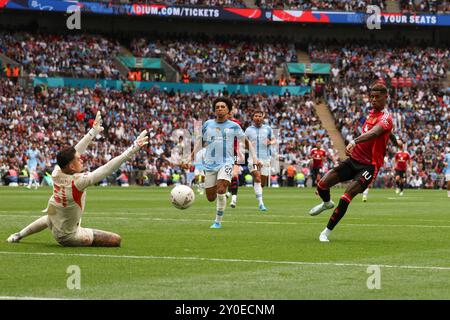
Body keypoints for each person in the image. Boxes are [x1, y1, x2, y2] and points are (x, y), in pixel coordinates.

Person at [7, 112, 149, 246]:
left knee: (50, 217)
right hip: (69, 236)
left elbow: (75, 151)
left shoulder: (57, 171)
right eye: (78, 160)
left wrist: (92, 132)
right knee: (116, 240)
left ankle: (18, 235)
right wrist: (132, 149)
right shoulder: (78, 182)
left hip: (55, 221)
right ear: (71, 167)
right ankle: (22, 234)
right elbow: (107, 168)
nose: (81, 159)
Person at [309, 83, 393, 242]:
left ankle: (325, 232)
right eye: (372, 97)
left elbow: (375, 133)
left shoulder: (386, 117)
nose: (374, 100)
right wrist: (396, 142)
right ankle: (326, 203)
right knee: (321, 185)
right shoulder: (370, 114)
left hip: (369, 166)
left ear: (385, 97)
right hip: (354, 160)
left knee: (346, 197)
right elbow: (388, 132)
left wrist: (354, 141)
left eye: (377, 97)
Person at [184, 97, 260, 229]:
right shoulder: (208, 124)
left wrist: (255, 158)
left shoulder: (234, 126)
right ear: (214, 110)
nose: (219, 108)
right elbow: (201, 142)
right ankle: (222, 201)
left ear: (228, 110)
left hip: (227, 163)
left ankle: (217, 221)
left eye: (222, 107)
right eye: (217, 107)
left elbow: (246, 142)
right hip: (209, 164)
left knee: (221, 188)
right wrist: (190, 157)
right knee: (210, 197)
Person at [244, 110, 276, 211]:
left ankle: (258, 194)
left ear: (262, 118)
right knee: (257, 177)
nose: (258, 118)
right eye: (256, 116)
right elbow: (243, 142)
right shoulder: (248, 130)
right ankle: (261, 204)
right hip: (253, 158)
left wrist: (270, 142)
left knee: (262, 182)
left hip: (265, 158)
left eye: (259, 116)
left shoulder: (268, 129)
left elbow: (275, 140)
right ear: (253, 118)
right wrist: (248, 144)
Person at [362, 132, 400, 202]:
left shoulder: (385, 144)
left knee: (369, 179)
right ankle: (364, 192)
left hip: (378, 162)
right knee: (369, 179)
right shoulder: (380, 138)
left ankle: (364, 190)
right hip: (374, 161)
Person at [228, 107, 243, 208]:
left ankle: (234, 199)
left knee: (234, 175)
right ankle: (228, 192)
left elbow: (240, 138)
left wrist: (239, 151)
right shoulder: (217, 123)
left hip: (234, 152)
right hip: (222, 154)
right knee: (225, 177)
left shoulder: (236, 123)